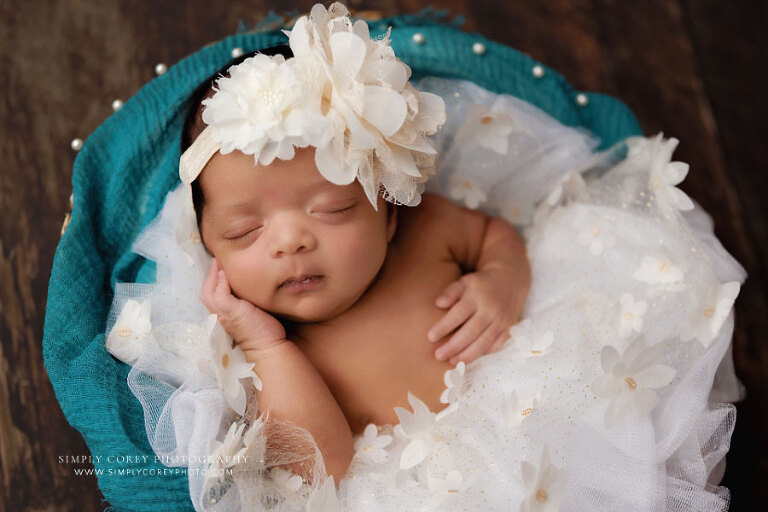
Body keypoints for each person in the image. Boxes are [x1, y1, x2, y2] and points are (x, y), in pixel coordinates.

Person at [105, 3, 745, 510]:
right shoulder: (270, 346)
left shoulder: (429, 227)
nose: (289, 240)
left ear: (388, 212)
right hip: (418, 488)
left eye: (331, 209)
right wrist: (267, 345)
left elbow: (495, 236)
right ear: (208, 245)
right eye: (244, 232)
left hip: (535, 412)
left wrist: (499, 281)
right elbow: (321, 463)